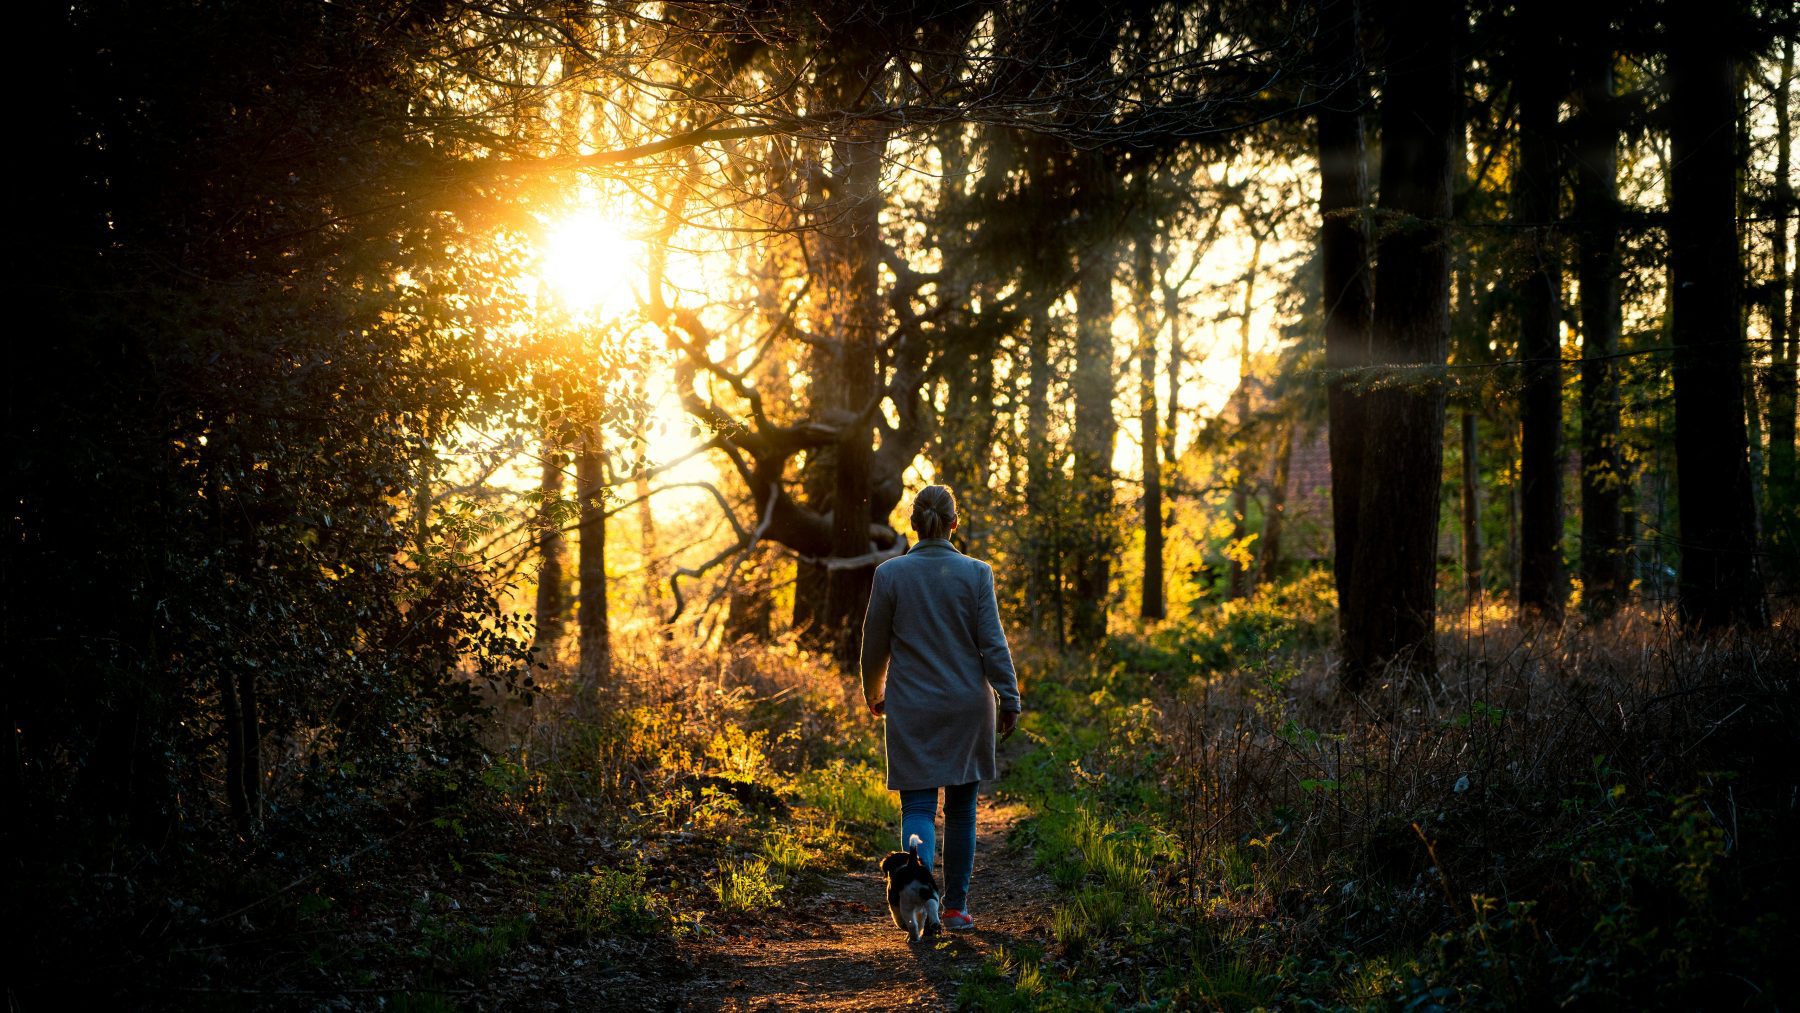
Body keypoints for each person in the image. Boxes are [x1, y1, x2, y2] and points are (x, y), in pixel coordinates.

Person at [860, 484, 1022, 931]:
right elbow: (992, 643)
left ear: (913, 524)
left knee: (917, 810)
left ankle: (917, 897)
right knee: (962, 812)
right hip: (967, 707)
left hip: (911, 706)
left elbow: (873, 646)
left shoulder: (890, 575)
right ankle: (954, 908)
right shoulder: (977, 573)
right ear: (954, 523)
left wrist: (874, 691)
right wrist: (1008, 696)